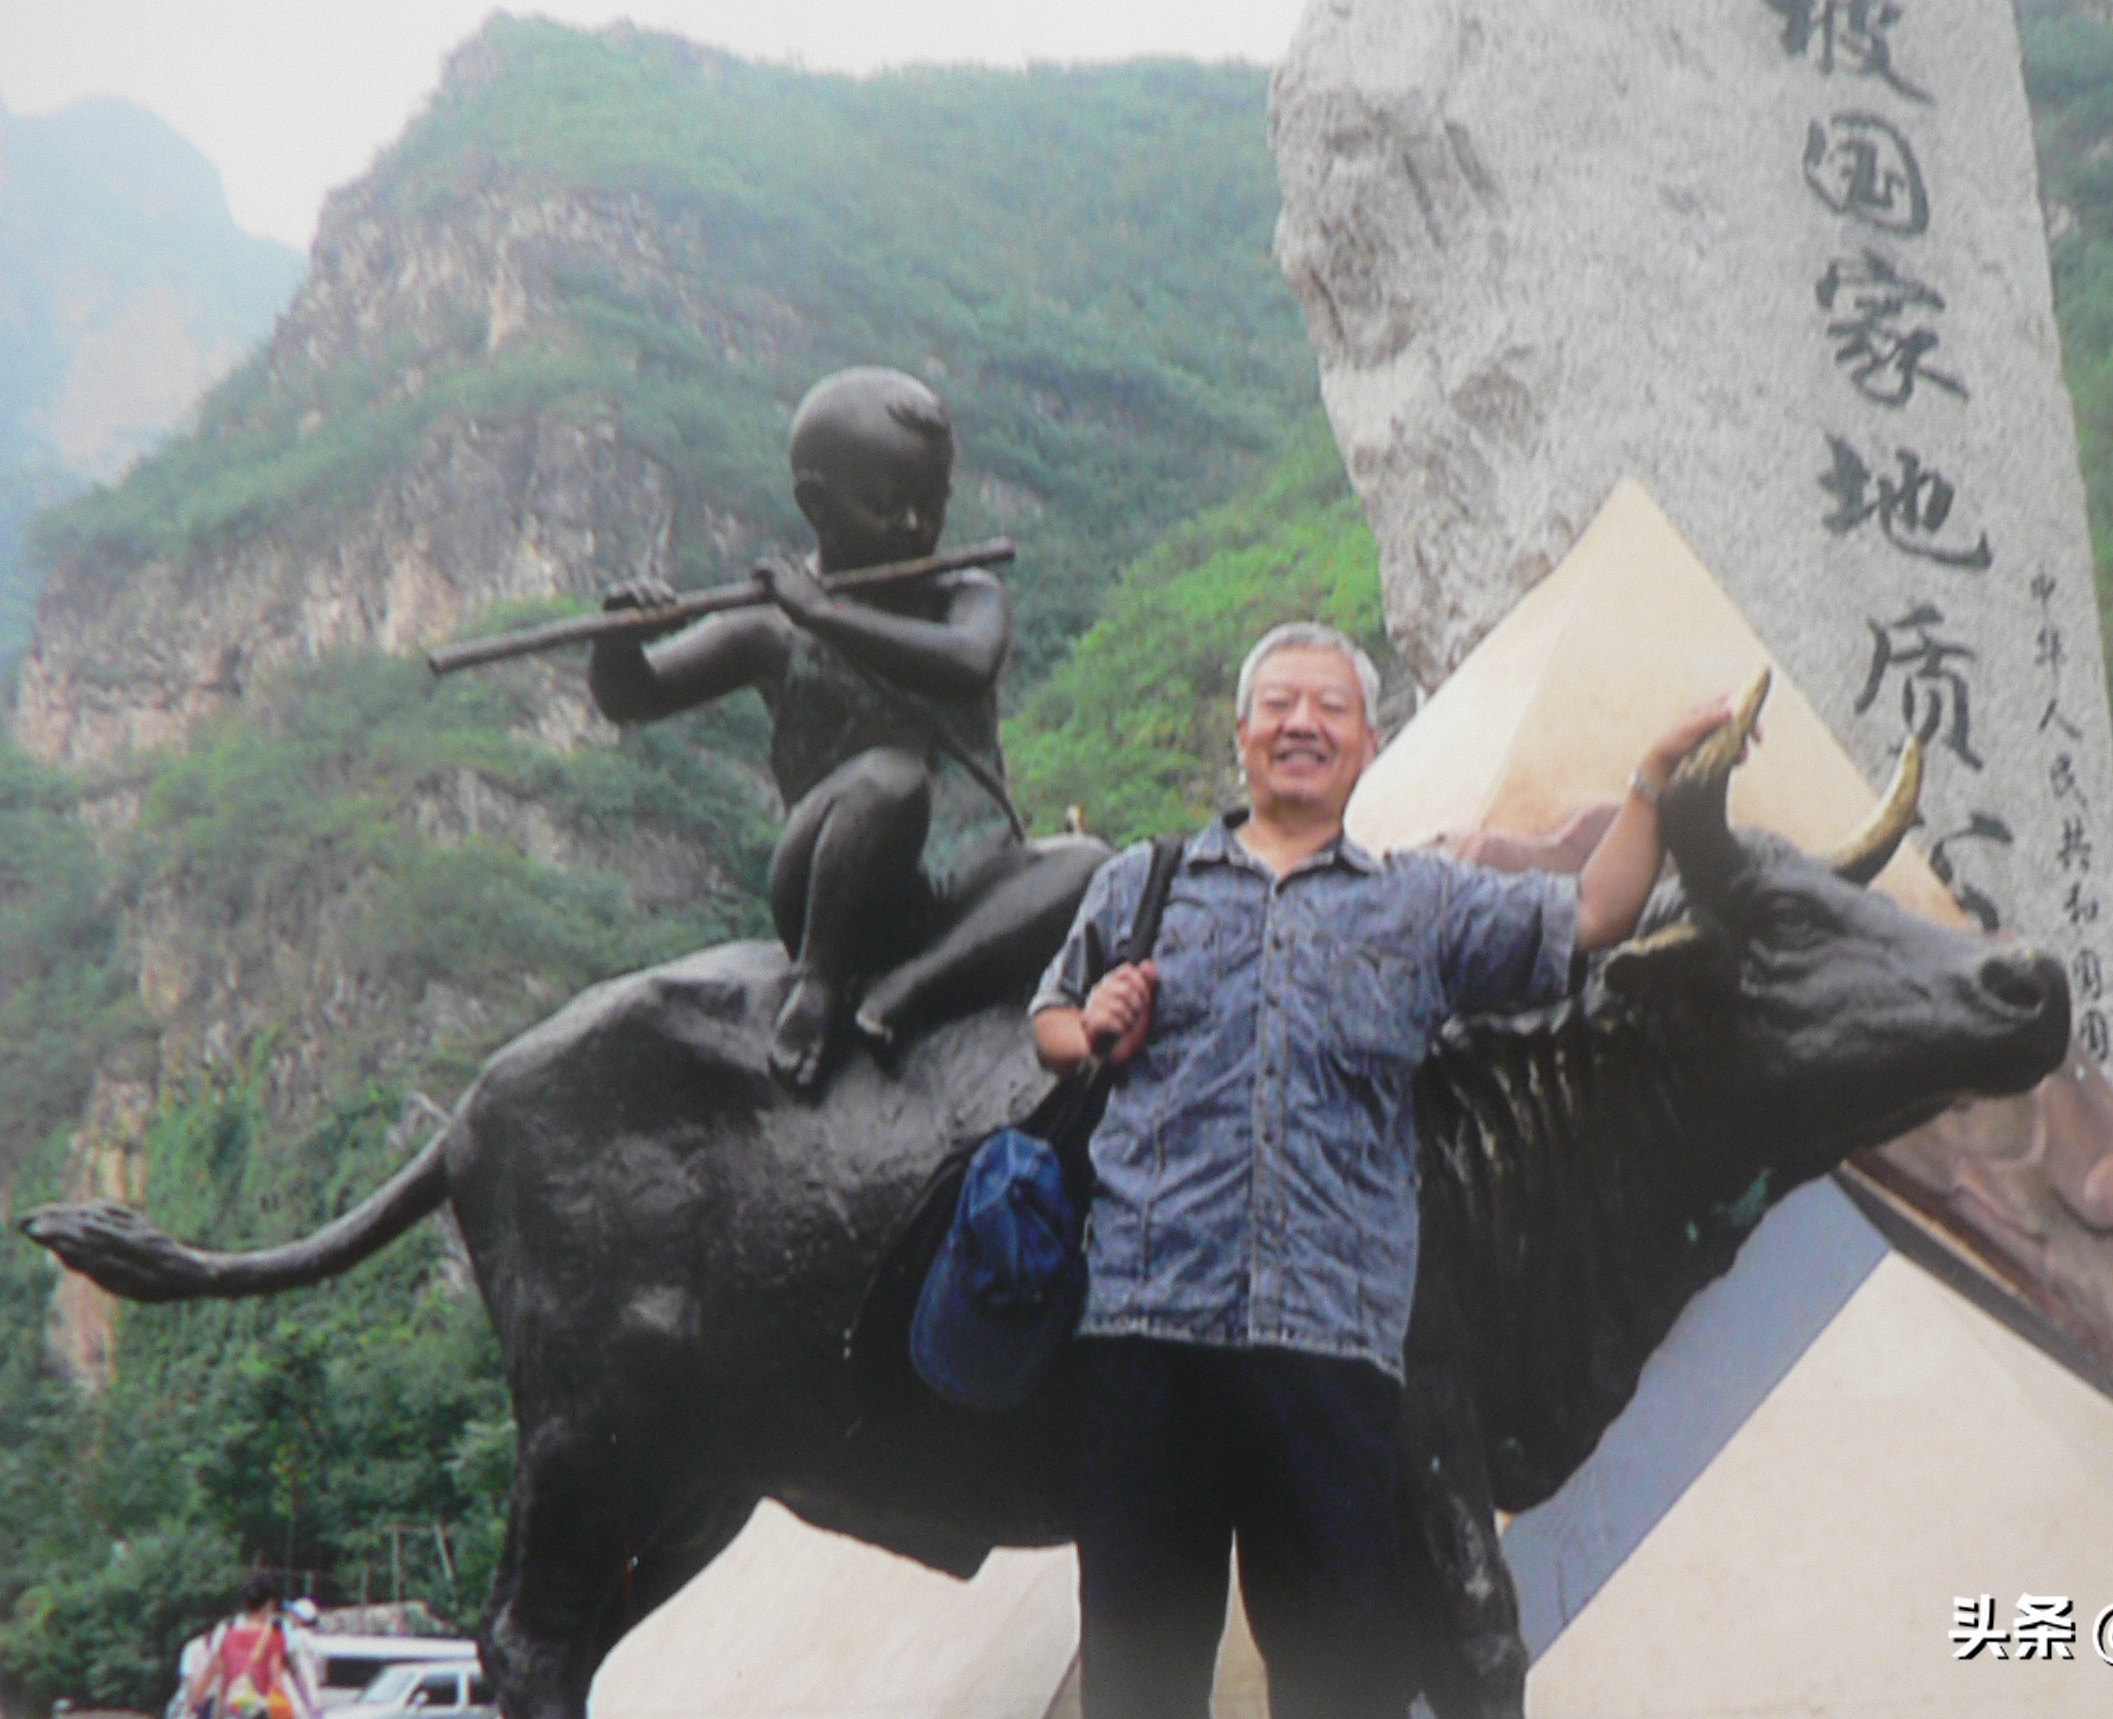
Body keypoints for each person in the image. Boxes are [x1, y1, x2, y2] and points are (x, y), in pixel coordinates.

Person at [1030, 621, 1742, 1719]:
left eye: (1330, 707)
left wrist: (1649, 785)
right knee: (1139, 1683)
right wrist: (1090, 1028)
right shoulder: (1144, 884)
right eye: (1279, 704)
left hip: (1330, 1353)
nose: (1301, 724)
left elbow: (1594, 914)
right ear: (1241, 736)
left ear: (1368, 744)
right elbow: (1049, 1020)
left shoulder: (1422, 905)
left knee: (1338, 1686)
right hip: (1146, 1338)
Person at [591, 366, 1104, 1087]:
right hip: (839, 890)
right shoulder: (768, 627)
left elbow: (969, 663)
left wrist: (824, 614)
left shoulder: (966, 595)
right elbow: (636, 697)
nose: (917, 527)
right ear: (818, 505)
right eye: (889, 506)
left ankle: (909, 992)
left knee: (1089, 864)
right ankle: (821, 982)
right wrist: (618, 642)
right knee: (891, 779)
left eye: (932, 504)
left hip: (969, 890)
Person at [184, 1575, 318, 1719]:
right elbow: (284, 1674)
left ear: (245, 1601)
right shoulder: (279, 1631)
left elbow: (212, 1669)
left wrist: (195, 1701)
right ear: (271, 1602)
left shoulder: (227, 1629)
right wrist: (311, 1706)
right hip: (266, 1709)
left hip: (234, 1709)